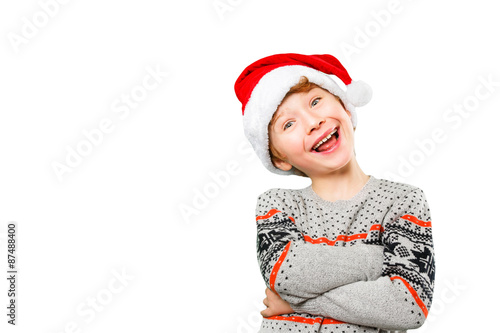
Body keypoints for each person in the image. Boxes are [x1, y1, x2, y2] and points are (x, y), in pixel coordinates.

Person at [233, 53, 435, 333]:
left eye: (316, 101)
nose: (313, 122)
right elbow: (285, 273)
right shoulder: (277, 203)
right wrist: (380, 258)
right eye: (288, 124)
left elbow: (408, 306)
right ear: (278, 157)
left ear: (346, 106)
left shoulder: (403, 200)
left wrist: (295, 304)